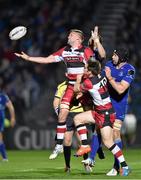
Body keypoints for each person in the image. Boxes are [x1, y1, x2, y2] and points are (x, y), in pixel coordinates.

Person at [15, 29, 94, 153]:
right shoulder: (64, 51)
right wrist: (28, 58)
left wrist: (85, 74)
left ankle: (93, 144)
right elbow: (47, 59)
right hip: (70, 86)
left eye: (71, 35)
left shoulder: (86, 51)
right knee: (62, 114)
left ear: (78, 39)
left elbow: (94, 66)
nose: (68, 36)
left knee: (90, 115)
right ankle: (59, 145)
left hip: (84, 87)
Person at [73, 57, 130, 176]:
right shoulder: (101, 75)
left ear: (89, 71)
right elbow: (97, 68)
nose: (83, 70)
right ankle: (84, 145)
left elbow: (76, 89)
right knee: (78, 118)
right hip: (101, 111)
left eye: (85, 69)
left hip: (105, 114)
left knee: (108, 142)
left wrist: (78, 79)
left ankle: (124, 166)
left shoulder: (89, 82)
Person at [49, 80, 92, 173]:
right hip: (68, 115)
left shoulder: (81, 84)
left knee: (81, 141)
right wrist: (60, 114)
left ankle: (86, 163)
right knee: (67, 141)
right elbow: (56, 101)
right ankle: (67, 166)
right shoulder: (62, 86)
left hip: (80, 113)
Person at [104, 48, 135, 176]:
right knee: (100, 133)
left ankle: (117, 167)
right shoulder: (108, 65)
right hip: (104, 105)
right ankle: (91, 158)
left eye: (115, 55)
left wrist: (110, 78)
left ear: (121, 57)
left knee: (116, 133)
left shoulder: (129, 69)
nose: (112, 57)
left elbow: (121, 89)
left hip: (118, 106)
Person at [0, 91, 16, 161]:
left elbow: (10, 106)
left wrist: (12, 118)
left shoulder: (2, 96)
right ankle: (4, 157)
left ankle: (4, 157)